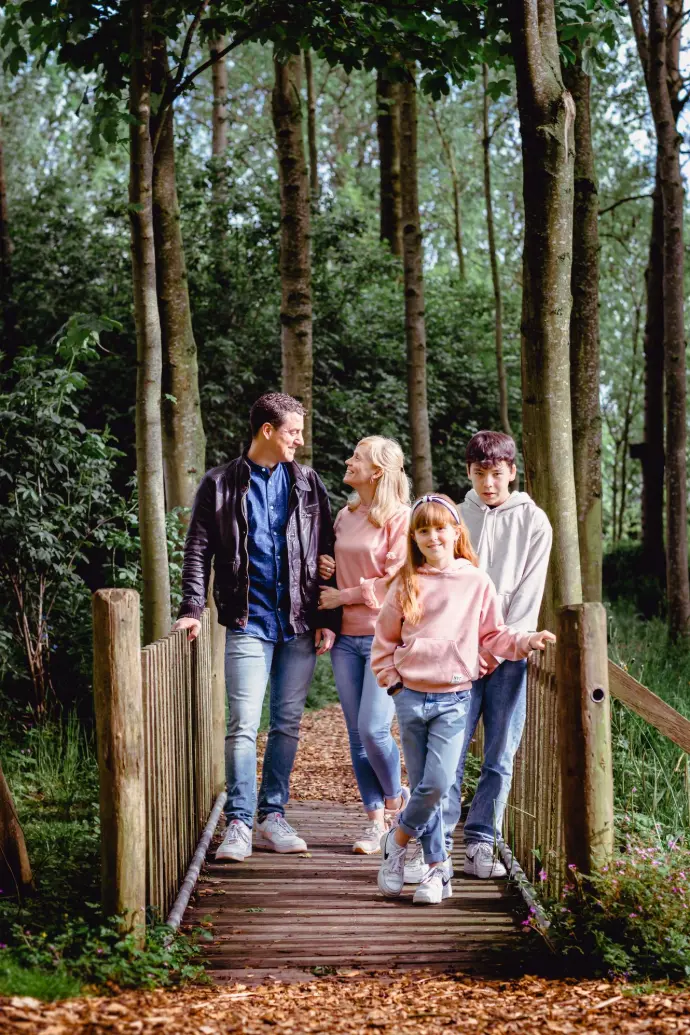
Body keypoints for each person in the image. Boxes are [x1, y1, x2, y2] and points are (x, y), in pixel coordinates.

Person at [174, 392, 339, 863]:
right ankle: (239, 823)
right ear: (267, 430)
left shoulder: (308, 482)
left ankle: (273, 815)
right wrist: (192, 607)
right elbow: (198, 549)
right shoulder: (220, 483)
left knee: (286, 722)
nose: (300, 440)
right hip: (248, 620)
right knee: (244, 723)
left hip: (300, 623)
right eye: (293, 431)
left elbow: (329, 548)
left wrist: (329, 617)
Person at [370, 494, 554, 905]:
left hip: (454, 699)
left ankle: (398, 839)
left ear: (456, 532)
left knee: (436, 783)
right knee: (422, 785)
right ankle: (438, 870)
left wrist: (525, 641)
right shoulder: (405, 582)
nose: (432, 536)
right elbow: (384, 642)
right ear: (413, 537)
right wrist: (395, 686)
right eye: (423, 530)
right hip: (411, 697)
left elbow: (494, 636)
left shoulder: (475, 581)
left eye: (440, 528)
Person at [443, 430, 553, 879]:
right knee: (447, 751)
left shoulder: (534, 520)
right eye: (480, 473)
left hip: (510, 655)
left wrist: (504, 644)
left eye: (497, 473)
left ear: (512, 471)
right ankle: (435, 840)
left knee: (499, 753)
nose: (489, 482)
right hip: (458, 654)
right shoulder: (452, 516)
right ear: (469, 472)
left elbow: (529, 593)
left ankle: (481, 842)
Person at [317, 437, 410, 854]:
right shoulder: (345, 515)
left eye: (357, 457)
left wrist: (342, 595)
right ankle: (375, 823)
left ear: (377, 472)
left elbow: (395, 580)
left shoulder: (400, 519)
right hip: (345, 638)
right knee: (356, 735)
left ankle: (395, 803)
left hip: (384, 637)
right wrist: (327, 569)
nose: (348, 461)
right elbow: (336, 566)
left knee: (374, 729)